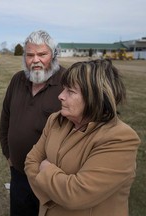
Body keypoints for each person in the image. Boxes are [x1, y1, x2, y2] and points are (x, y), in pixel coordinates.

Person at [24, 59, 141, 216]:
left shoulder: (120, 138)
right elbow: (31, 161)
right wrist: (54, 196)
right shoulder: (56, 120)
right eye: (63, 89)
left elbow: (76, 195)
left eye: (70, 91)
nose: (60, 96)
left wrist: (45, 168)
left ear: (96, 96)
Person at [0, 30, 66, 216]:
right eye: (30, 55)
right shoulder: (17, 80)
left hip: (49, 178)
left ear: (53, 55)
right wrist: (8, 154)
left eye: (42, 54)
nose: (35, 60)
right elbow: (5, 118)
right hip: (18, 172)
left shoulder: (68, 82)